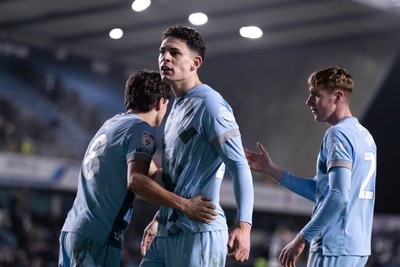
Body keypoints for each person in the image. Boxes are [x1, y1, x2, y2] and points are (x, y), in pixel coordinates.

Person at [58, 70, 217, 267]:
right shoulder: (141, 130)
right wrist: (185, 205)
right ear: (160, 102)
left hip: (74, 230)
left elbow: (154, 176)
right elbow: (137, 181)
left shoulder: (112, 124)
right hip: (98, 237)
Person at [139, 25, 254, 267]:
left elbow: (238, 165)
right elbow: (177, 177)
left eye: (174, 52)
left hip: (199, 232)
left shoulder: (210, 104)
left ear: (195, 62)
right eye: (162, 52)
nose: (165, 58)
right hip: (168, 232)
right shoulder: (176, 108)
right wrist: (159, 218)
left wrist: (244, 227)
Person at [245, 65, 377, 267]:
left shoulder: (337, 134)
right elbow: (321, 192)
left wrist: (301, 239)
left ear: (337, 96)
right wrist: (272, 170)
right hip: (356, 247)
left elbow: (339, 196)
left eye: (315, 95)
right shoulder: (364, 135)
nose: (308, 102)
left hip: (333, 244)